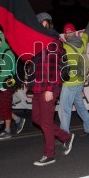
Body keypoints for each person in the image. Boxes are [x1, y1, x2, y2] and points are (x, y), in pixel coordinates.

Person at [30, 12, 74, 166]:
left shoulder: (52, 40)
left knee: (46, 122)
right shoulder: (40, 41)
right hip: (38, 86)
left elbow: (54, 68)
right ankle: (65, 137)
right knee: (36, 118)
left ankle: (49, 154)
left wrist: (49, 88)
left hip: (49, 86)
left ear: (46, 23)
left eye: (39, 23)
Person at [58, 14, 89, 137]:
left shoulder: (64, 47)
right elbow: (88, 32)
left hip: (69, 82)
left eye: (67, 33)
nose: (68, 34)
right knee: (80, 105)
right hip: (80, 80)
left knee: (64, 109)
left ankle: (64, 135)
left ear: (65, 35)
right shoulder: (82, 42)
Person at [0, 30, 17, 140]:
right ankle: (18, 120)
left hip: (6, 85)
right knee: (1, 107)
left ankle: (8, 131)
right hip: (4, 85)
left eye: (0, 40)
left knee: (5, 107)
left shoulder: (7, 54)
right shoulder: (2, 53)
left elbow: (5, 71)